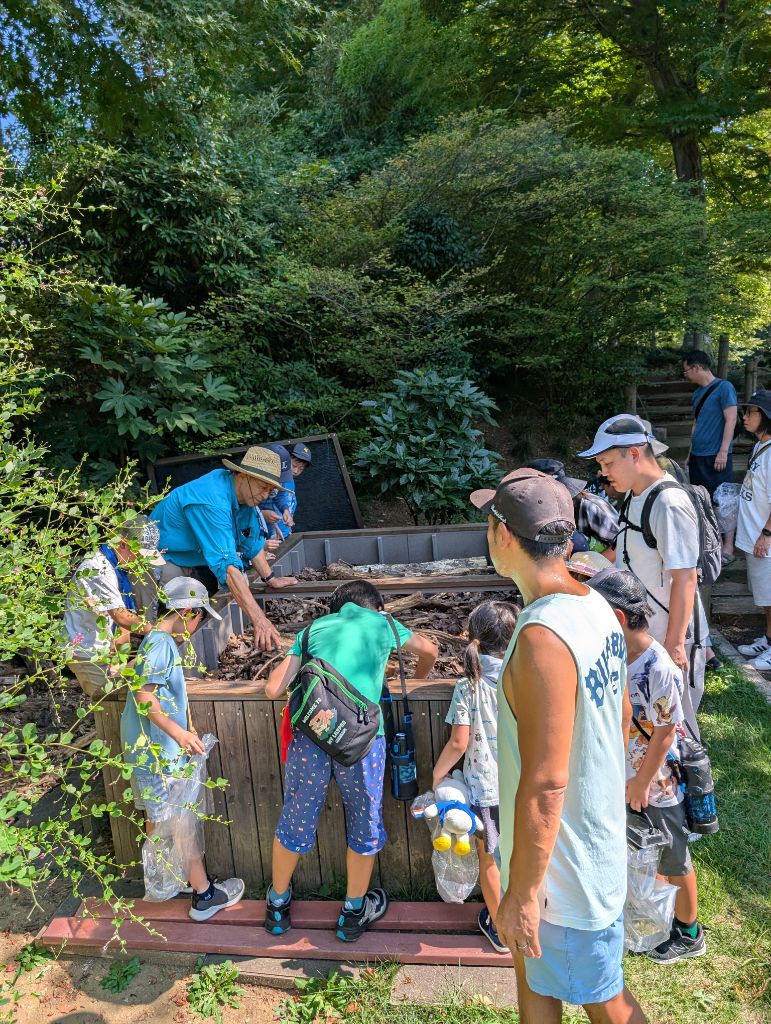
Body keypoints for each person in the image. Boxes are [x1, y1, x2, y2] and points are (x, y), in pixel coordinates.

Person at [470, 469, 646, 1024]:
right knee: (536, 987)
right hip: (584, 846)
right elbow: (621, 716)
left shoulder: (541, 637)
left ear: (502, 534)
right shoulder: (596, 606)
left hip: (560, 874)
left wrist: (523, 891)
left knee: (607, 1002)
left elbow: (547, 782)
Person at [263, 580, 438, 942]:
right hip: (363, 743)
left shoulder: (313, 630)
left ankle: (277, 906)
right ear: (376, 606)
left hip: (312, 738)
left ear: (337, 608)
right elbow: (430, 651)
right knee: (364, 819)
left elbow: (272, 689)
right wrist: (415, 681)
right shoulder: (384, 624)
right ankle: (352, 913)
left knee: (296, 816)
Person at [588, 568, 706, 964]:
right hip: (628, 777)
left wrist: (641, 781)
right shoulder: (617, 655)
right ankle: (654, 915)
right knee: (645, 849)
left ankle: (689, 931)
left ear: (618, 618)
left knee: (674, 857)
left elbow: (666, 733)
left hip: (658, 783)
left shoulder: (659, 668)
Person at [120, 576, 245, 921]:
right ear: (187, 611)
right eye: (200, 617)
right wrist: (178, 733)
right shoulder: (162, 645)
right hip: (159, 753)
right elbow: (145, 696)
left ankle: (167, 881)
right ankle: (204, 895)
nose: (197, 626)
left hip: (147, 752)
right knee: (180, 821)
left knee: (159, 819)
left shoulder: (153, 641)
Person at [579, 414, 707, 739]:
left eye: (608, 463)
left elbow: (685, 578)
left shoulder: (669, 503)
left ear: (634, 454)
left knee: (677, 734)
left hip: (670, 639)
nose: (603, 472)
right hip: (646, 636)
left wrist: (675, 645)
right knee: (649, 731)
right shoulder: (635, 495)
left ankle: (691, 775)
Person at [431, 600, 520, 955]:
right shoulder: (524, 677)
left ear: (474, 639)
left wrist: (438, 775)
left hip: (486, 790)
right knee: (523, 857)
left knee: (490, 860)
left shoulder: (469, 685)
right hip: (523, 785)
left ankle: (500, 929)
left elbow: (459, 742)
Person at [152, 446, 297, 652]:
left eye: (270, 491)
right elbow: (226, 566)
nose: (266, 495)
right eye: (263, 487)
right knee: (178, 615)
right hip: (164, 557)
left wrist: (270, 578)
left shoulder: (244, 496)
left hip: (194, 557)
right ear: (243, 475)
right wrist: (260, 620)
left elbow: (250, 542)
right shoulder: (212, 501)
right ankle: (162, 657)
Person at [63, 516, 164, 697]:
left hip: (105, 648)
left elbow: (122, 622)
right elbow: (121, 616)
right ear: (123, 544)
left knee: (123, 696)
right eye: (139, 554)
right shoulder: (99, 569)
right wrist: (159, 633)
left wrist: (120, 660)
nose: (141, 561)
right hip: (88, 651)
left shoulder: (117, 568)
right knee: (108, 701)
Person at [683, 349, 738, 564]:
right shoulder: (696, 394)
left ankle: (728, 546)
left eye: (686, 370)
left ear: (697, 367)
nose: (685, 374)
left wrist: (723, 451)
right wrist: (690, 453)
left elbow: (731, 419)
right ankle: (712, 544)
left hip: (717, 455)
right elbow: (696, 425)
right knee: (702, 501)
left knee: (723, 501)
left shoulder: (725, 388)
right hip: (698, 455)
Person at [735, 390, 771, 667]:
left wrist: (766, 534)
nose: (745, 417)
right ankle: (768, 638)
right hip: (754, 536)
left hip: (765, 540)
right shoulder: (761, 446)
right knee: (765, 597)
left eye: (751, 412)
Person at [528, 458, 619, 556]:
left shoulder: (592, 507)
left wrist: (596, 563)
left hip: (603, 558)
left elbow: (621, 543)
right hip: (570, 558)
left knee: (574, 539)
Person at [260, 441, 312, 541]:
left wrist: (286, 510)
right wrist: (272, 525)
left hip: (283, 532)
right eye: (294, 466)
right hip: (269, 535)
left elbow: (281, 497)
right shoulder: (273, 479)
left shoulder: (290, 479)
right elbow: (262, 505)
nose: (296, 471)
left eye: (301, 468)